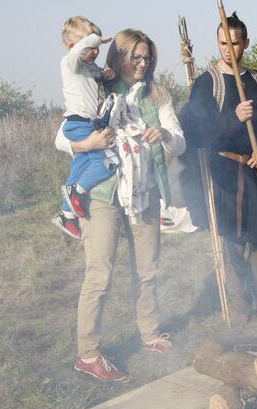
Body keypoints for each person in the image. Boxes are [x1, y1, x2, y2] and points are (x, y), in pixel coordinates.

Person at [55, 29, 186, 381]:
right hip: (103, 194)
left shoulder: (157, 96)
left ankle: (150, 333)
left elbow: (180, 140)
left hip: (143, 191)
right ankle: (88, 354)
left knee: (148, 268)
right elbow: (61, 138)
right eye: (136, 57)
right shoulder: (99, 86)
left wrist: (167, 136)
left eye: (148, 58)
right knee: (100, 274)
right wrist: (90, 143)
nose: (143, 64)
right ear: (121, 56)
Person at [179, 12, 257, 319]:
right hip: (226, 174)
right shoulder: (206, 84)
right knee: (232, 240)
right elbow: (196, 133)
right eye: (223, 43)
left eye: (235, 43)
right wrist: (233, 118)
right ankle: (240, 304)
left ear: (246, 43)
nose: (228, 50)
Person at [51, 16, 117, 240]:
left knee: (80, 166)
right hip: (78, 122)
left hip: (88, 122)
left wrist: (105, 75)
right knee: (105, 162)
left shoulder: (90, 68)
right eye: (91, 46)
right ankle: (77, 191)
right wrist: (95, 39)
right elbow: (80, 49)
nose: (96, 50)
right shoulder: (70, 63)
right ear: (73, 47)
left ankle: (66, 214)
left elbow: (97, 80)